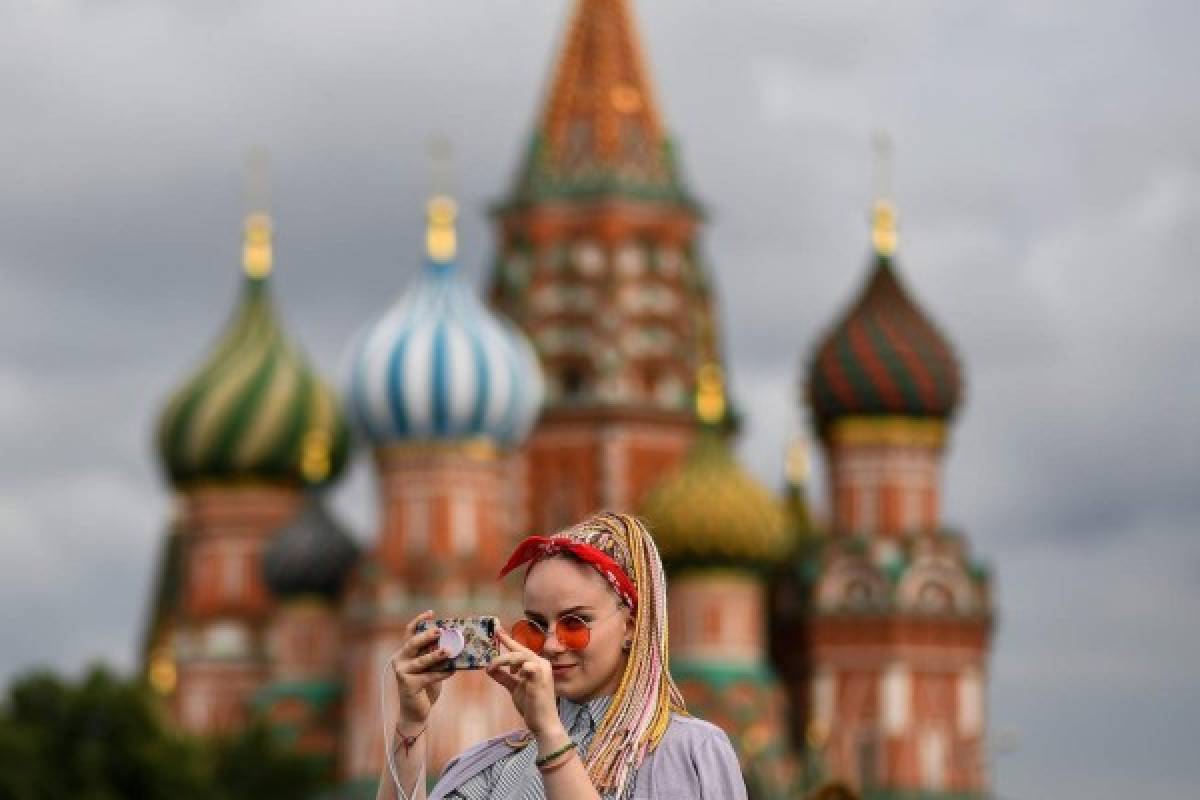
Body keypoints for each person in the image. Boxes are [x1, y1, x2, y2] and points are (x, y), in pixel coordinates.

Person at [376, 511, 747, 800]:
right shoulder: (494, 765)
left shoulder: (687, 750)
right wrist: (410, 723)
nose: (552, 645)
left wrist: (551, 734)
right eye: (535, 626)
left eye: (575, 623)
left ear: (631, 624)